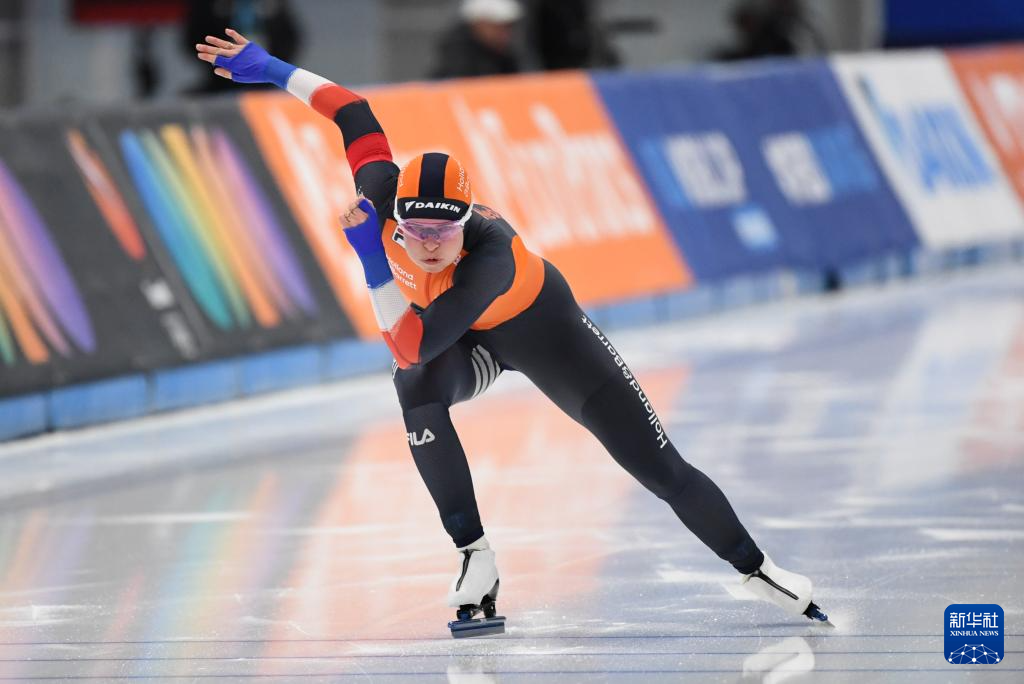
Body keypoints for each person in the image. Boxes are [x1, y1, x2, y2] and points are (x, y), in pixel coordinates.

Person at [195, 30, 832, 637]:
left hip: (545, 333)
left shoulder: (490, 257)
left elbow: (409, 340)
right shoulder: (381, 194)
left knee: (657, 466)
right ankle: (475, 555)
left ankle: (758, 569)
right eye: (415, 231)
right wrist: (272, 69)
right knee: (415, 387)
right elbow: (352, 111)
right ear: (396, 212)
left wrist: (370, 258)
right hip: (468, 340)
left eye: (444, 231)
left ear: (466, 221)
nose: (429, 245)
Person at [431, 0, 523, 79]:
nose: (505, 33)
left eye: (509, 26)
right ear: (479, 24)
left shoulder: (506, 55)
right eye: (498, 26)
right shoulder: (457, 58)